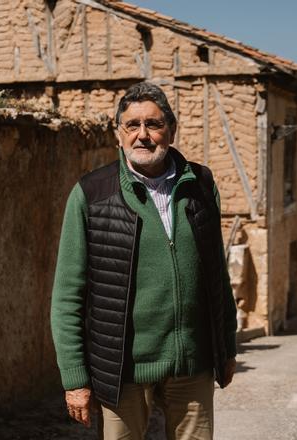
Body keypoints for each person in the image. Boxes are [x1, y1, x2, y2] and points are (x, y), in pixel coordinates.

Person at [50, 81, 237, 440]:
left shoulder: (200, 183)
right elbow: (67, 295)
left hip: (192, 363)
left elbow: (217, 272)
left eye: (153, 124)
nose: (143, 135)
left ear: (171, 129)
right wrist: (75, 378)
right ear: (118, 134)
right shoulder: (91, 194)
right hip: (123, 369)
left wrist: (226, 346)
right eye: (132, 125)